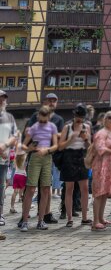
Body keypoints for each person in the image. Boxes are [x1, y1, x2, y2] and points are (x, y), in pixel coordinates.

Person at [22, 93, 64, 226]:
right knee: (31, 187)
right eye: (50, 100)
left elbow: (59, 140)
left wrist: (50, 147)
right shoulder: (36, 116)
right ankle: (24, 218)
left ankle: (44, 217)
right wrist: (30, 147)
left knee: (46, 188)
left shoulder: (58, 120)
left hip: (50, 156)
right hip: (35, 155)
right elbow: (27, 135)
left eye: (54, 100)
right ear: (45, 101)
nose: (52, 102)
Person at [56, 104, 92, 227]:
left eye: (81, 117)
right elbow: (60, 146)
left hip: (81, 156)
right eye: (77, 116)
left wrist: (86, 139)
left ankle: (85, 218)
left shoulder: (87, 127)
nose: (79, 119)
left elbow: (90, 147)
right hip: (69, 156)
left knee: (85, 188)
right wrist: (71, 139)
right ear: (74, 115)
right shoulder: (67, 127)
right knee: (69, 188)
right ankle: (69, 218)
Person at [91, 111, 111, 230]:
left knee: (104, 194)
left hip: (110, 166)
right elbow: (100, 148)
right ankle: (95, 221)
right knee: (99, 193)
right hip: (101, 166)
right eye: (109, 117)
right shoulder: (101, 133)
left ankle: (101, 218)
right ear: (104, 119)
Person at [0, 90, 18, 238]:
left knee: (1, 189)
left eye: (3, 99)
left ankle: (0, 215)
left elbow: (14, 136)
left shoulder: (9, 117)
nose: (1, 101)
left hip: (4, 161)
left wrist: (5, 145)